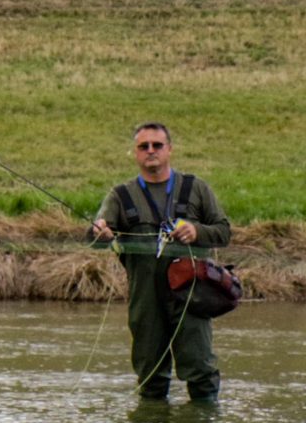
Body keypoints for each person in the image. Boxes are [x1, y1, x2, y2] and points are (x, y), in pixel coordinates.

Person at [91, 122, 233, 402]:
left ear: (170, 150)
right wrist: (101, 233)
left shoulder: (196, 188)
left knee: (201, 373)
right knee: (150, 376)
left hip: (191, 294)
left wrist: (197, 231)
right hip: (145, 297)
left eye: (157, 145)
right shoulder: (120, 195)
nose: (151, 151)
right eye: (144, 146)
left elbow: (224, 231)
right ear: (135, 153)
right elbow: (95, 235)